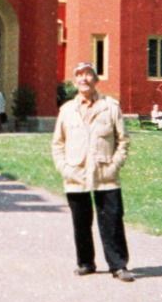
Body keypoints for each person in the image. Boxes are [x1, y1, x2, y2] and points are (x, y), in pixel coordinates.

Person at [52, 61, 133, 281]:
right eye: (79, 75)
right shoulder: (67, 110)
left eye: (88, 74)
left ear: (96, 79)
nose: (84, 79)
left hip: (105, 173)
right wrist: (65, 169)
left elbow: (123, 140)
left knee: (112, 220)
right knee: (81, 222)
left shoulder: (110, 107)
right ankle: (86, 263)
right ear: (74, 81)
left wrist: (114, 165)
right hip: (76, 174)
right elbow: (57, 144)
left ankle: (118, 265)